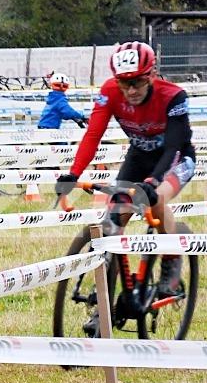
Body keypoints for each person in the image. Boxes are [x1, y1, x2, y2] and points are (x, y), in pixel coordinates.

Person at [54, 42, 196, 300]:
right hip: (139, 156)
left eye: (138, 82)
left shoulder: (173, 96)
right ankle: (105, 288)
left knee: (157, 199)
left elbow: (174, 147)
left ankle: (172, 262)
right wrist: (73, 174)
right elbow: (93, 134)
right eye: (123, 82)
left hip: (174, 158)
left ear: (152, 75)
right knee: (114, 221)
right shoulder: (110, 91)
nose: (130, 90)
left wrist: (153, 183)